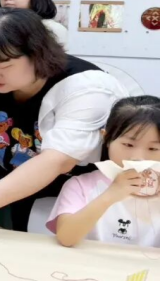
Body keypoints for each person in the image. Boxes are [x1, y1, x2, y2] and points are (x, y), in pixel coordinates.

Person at [0, 8, 126, 234]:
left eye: (5, 66)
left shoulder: (87, 86)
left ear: (37, 54)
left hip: (88, 194)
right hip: (19, 187)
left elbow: (58, 160)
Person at [48, 96, 160, 248]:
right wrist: (111, 195)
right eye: (128, 144)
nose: (138, 158)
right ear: (107, 139)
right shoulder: (81, 185)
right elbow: (66, 238)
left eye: (153, 148)